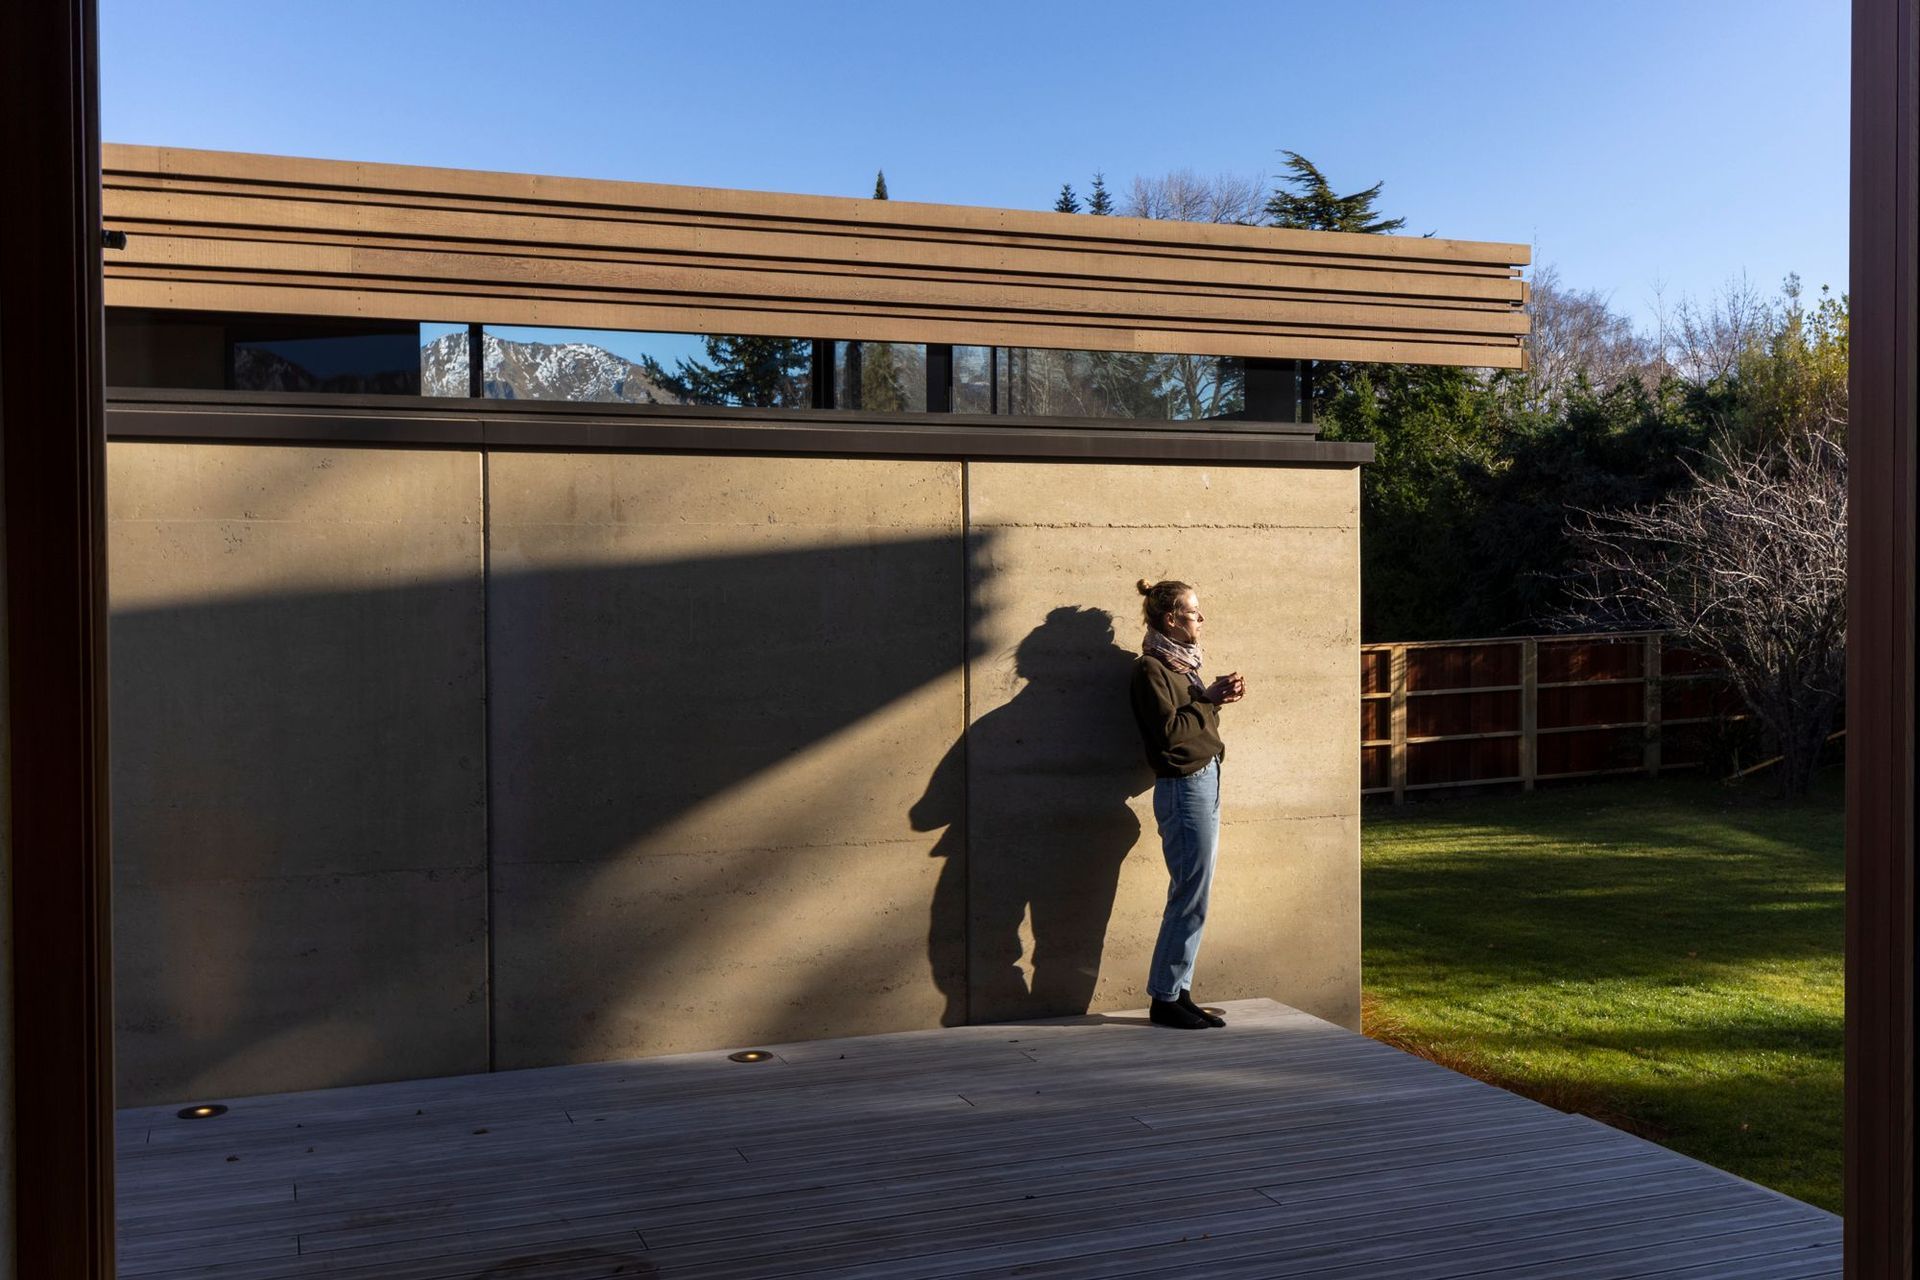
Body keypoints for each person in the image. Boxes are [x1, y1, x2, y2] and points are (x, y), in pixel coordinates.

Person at [1128, 577, 1245, 1030]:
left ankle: (1179, 992)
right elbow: (1169, 734)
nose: (1202, 618)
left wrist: (1214, 699)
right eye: (1194, 612)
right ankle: (1164, 999)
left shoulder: (1182, 666)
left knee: (1197, 893)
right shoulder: (1150, 669)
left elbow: (1191, 723)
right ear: (1171, 619)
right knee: (1189, 894)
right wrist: (1207, 699)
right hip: (1183, 787)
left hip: (1205, 779)